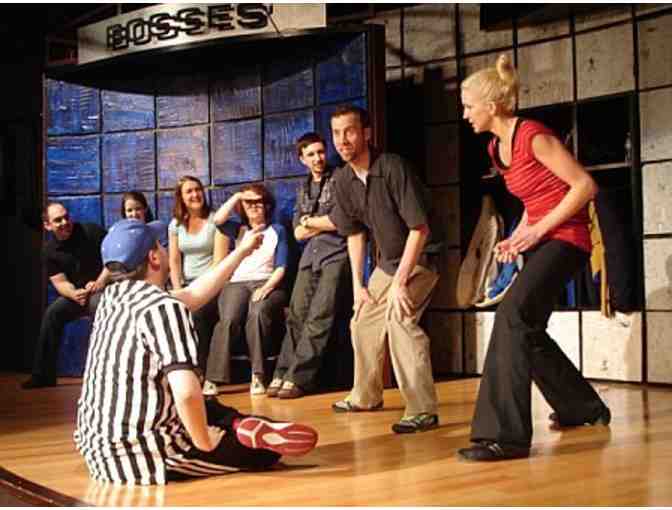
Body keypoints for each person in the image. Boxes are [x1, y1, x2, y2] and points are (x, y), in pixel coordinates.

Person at [74, 219, 318, 485]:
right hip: (146, 458)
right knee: (263, 453)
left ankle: (235, 424)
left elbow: (195, 293)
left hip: (98, 449)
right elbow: (186, 393)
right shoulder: (163, 309)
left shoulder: (110, 300)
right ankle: (236, 428)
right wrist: (205, 441)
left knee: (207, 406)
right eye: (161, 245)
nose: (166, 249)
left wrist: (241, 251)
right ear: (154, 257)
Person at [456, 54, 611, 462]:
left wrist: (539, 232)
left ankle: (504, 437)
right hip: (544, 239)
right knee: (526, 329)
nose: (465, 114)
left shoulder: (533, 135)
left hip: (569, 240)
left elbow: (584, 186)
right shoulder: (497, 148)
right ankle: (583, 408)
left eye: (469, 106)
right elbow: (535, 198)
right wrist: (518, 236)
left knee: (511, 316)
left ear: (491, 106)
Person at [327, 105, 443, 434]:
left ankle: (422, 410)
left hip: (420, 257)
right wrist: (358, 286)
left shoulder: (392, 167)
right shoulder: (343, 180)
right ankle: (366, 396)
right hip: (388, 264)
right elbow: (354, 234)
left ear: (366, 133)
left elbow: (419, 229)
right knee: (362, 320)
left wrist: (400, 283)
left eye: (349, 131)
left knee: (399, 319)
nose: (342, 140)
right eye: (336, 133)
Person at [266, 132, 350, 399]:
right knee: (296, 316)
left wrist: (309, 221)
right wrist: (318, 223)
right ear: (302, 159)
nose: (317, 158)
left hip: (336, 254)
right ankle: (282, 372)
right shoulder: (302, 188)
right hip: (309, 258)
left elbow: (340, 221)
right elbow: (297, 233)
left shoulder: (340, 178)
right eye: (311, 154)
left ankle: (299, 377)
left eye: (320, 152)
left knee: (319, 317)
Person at [204, 184, 288, 396]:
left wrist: (267, 287)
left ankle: (258, 375)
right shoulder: (239, 229)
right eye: (249, 203)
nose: (253, 206)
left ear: (266, 205)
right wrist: (238, 197)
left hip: (267, 281)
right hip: (238, 282)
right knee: (228, 319)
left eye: (258, 202)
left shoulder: (277, 230)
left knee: (257, 313)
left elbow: (281, 266)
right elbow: (218, 220)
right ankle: (213, 378)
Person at [22, 202, 109, 389]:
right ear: (47, 225)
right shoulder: (49, 251)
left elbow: (113, 260)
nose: (64, 223)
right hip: (79, 295)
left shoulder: (91, 232)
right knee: (53, 313)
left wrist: (99, 282)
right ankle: (43, 375)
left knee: (98, 306)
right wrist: (74, 293)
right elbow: (60, 282)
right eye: (58, 220)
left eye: (66, 217)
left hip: (104, 289)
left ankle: (101, 374)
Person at [169, 175, 228, 370]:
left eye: (198, 189)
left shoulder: (216, 221)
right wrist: (178, 289)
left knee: (197, 314)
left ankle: (200, 369)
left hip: (211, 285)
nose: (195, 194)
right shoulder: (176, 225)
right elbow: (174, 260)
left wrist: (198, 289)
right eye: (189, 191)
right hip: (186, 285)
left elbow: (219, 262)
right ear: (181, 197)